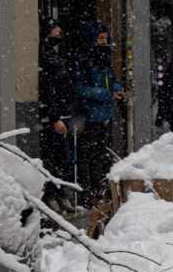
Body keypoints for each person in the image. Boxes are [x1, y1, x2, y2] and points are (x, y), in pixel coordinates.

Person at [77, 23, 124, 205]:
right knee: (88, 156)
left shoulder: (104, 59)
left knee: (100, 154)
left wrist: (117, 89)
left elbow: (112, 79)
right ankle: (88, 192)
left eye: (106, 38)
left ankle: (99, 189)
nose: (104, 42)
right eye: (101, 39)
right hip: (89, 116)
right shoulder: (84, 60)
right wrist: (106, 94)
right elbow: (80, 89)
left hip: (104, 114)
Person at [38, 22, 79, 210]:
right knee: (55, 157)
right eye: (55, 28)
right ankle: (52, 194)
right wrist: (54, 117)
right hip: (55, 115)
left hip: (63, 113)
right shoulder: (45, 56)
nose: (59, 32)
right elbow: (49, 88)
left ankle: (61, 193)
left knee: (64, 158)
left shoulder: (54, 54)